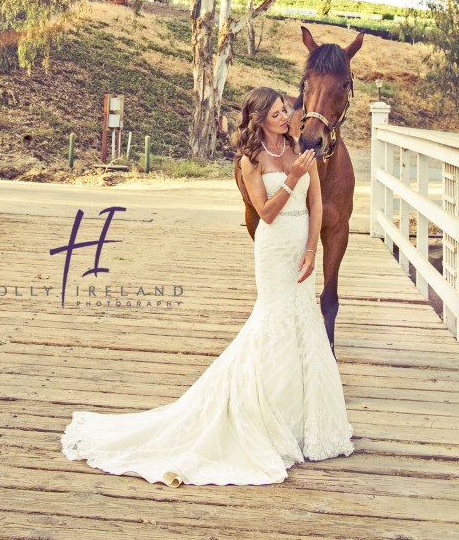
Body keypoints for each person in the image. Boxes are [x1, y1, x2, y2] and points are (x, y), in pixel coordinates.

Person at [59, 86, 354, 485]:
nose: (287, 118)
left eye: (286, 111)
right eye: (277, 114)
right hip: (273, 248)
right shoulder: (250, 162)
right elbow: (265, 213)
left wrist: (311, 250)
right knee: (273, 322)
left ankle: (306, 424)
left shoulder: (303, 150)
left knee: (305, 324)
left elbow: (316, 204)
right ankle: (257, 414)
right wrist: (292, 179)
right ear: (260, 120)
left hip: (300, 248)